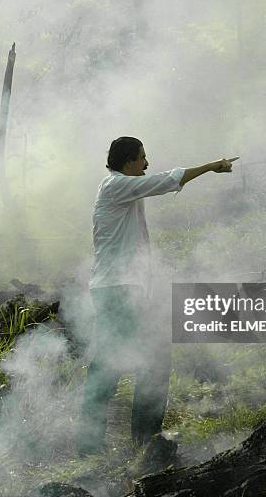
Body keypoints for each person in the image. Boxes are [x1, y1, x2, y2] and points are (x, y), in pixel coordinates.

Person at [77, 136, 237, 455]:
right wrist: (210, 166)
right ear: (127, 162)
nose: (146, 164)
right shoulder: (116, 186)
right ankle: (143, 438)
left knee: (110, 363)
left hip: (117, 289)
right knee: (151, 356)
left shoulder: (122, 189)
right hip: (117, 290)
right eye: (142, 158)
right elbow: (165, 181)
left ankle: (93, 443)